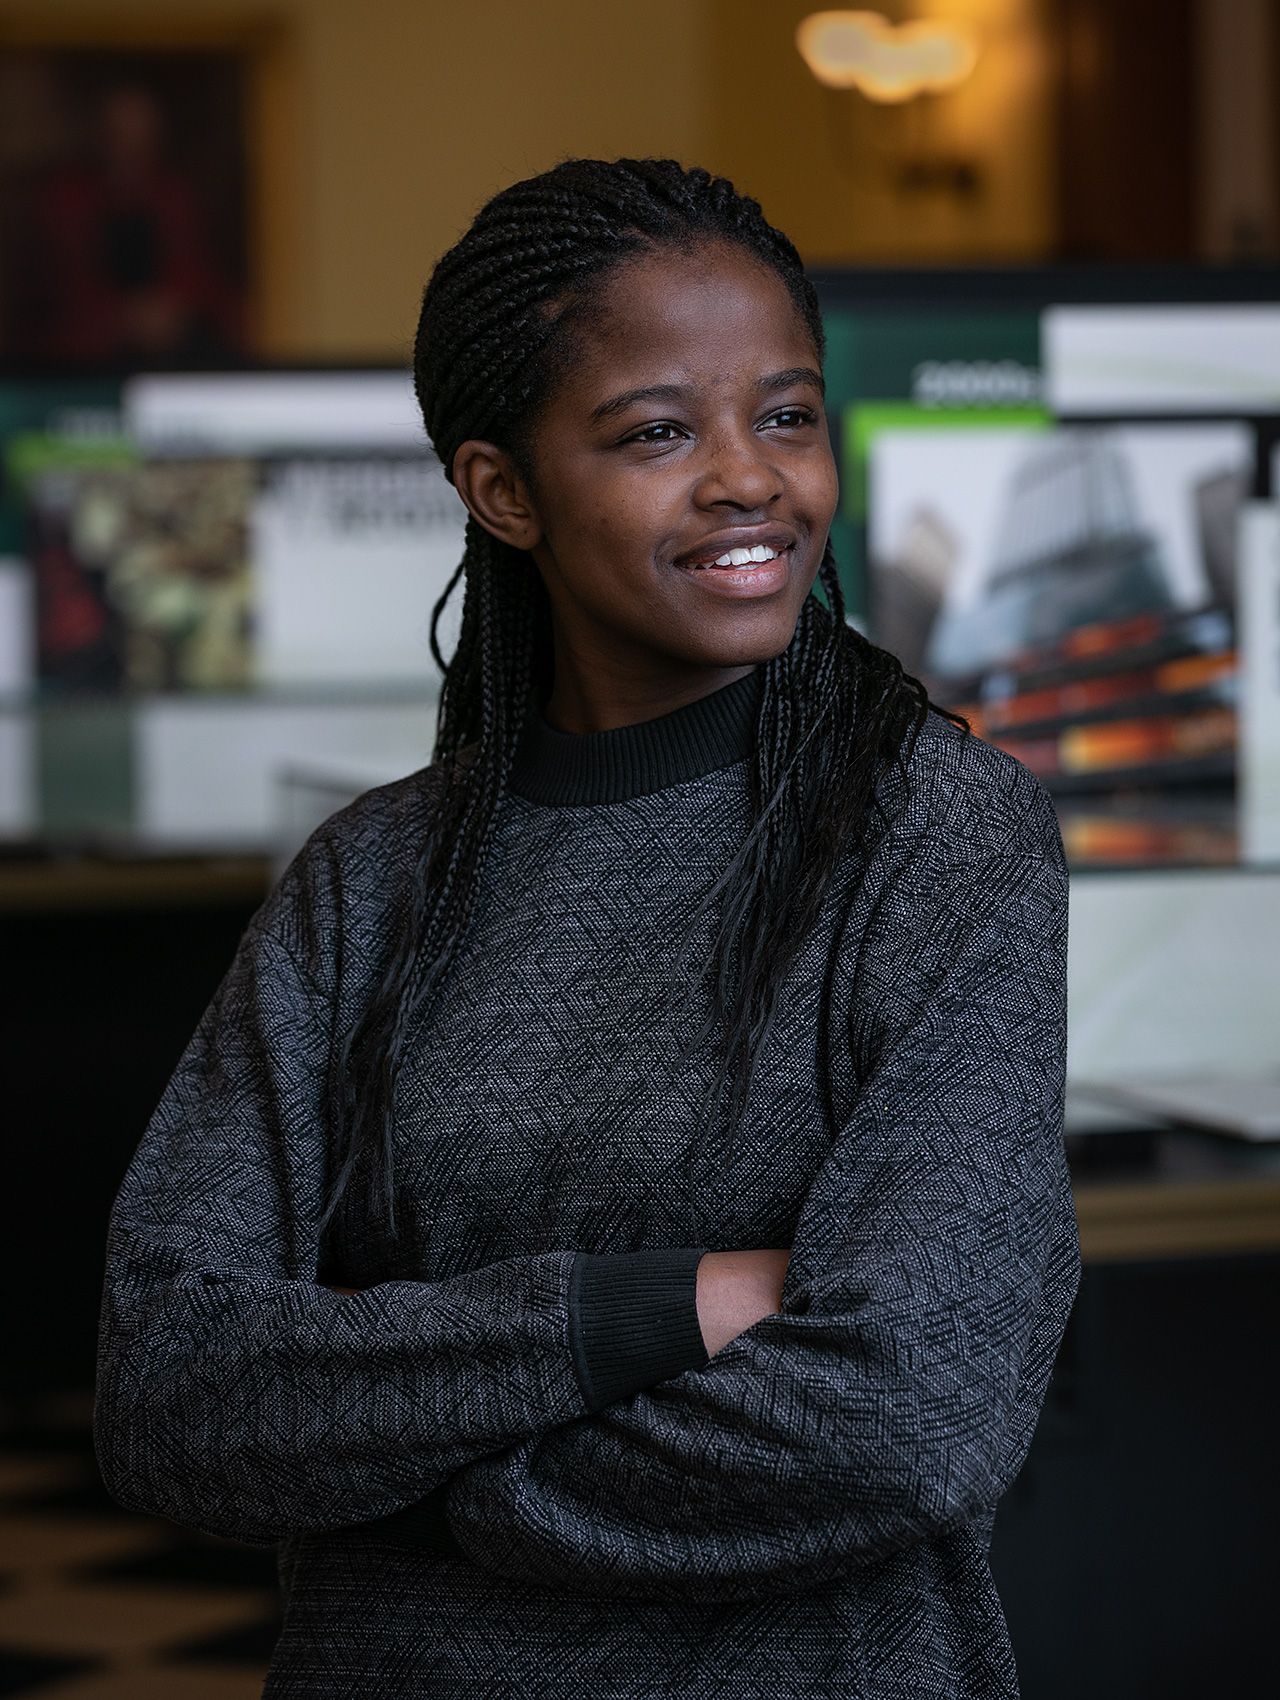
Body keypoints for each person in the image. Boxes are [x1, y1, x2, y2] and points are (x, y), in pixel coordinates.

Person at [93, 158, 1078, 1698]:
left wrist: (430, 1483)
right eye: (659, 431)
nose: (751, 477)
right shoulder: (368, 883)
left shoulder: (941, 836)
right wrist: (644, 1310)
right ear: (503, 488)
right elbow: (172, 1395)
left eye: (789, 414)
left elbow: (909, 1421)